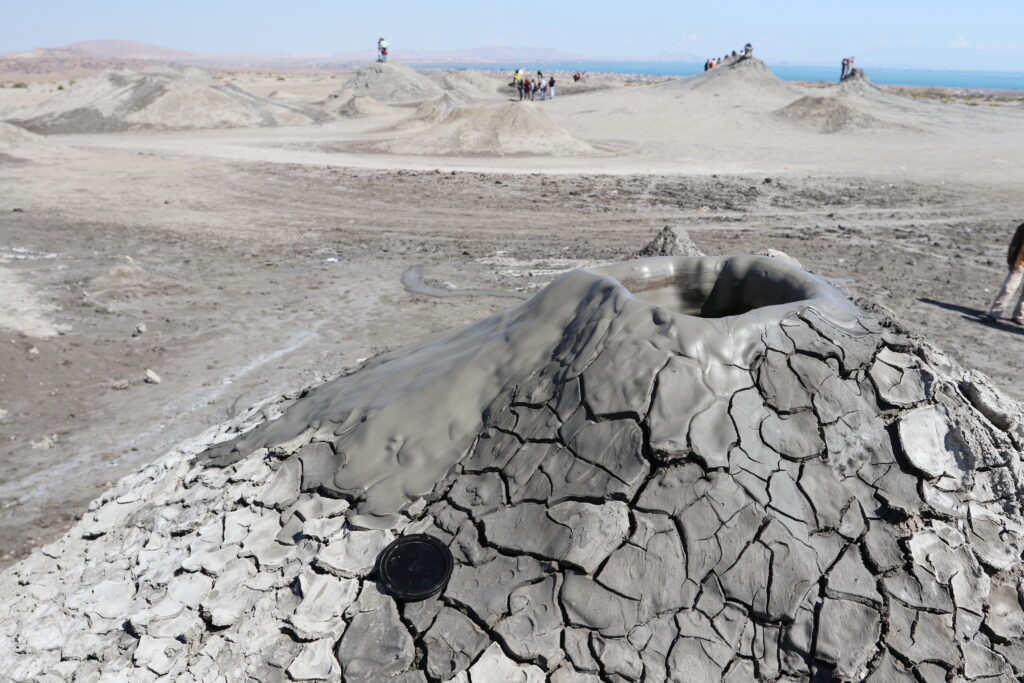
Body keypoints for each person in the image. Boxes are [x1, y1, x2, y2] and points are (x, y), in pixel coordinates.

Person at [985, 222, 1024, 324]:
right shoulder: (1022, 228)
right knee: (1008, 288)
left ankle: (1020, 316)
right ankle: (994, 314)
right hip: (1019, 264)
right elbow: (1014, 246)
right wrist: (1011, 262)